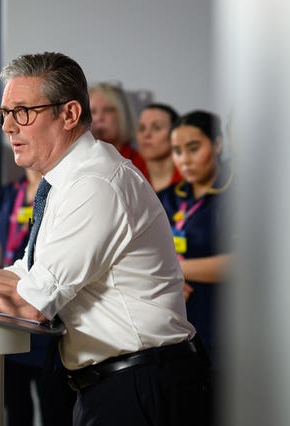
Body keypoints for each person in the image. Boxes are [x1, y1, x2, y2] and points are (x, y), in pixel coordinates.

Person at [0, 52, 213, 426]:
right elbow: (27, 276)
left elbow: (32, 305)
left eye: (23, 111)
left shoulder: (95, 184)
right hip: (115, 382)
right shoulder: (65, 181)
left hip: (143, 383)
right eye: (5, 114)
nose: (9, 127)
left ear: (70, 114)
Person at [0, 167, 76, 425]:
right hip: (7, 308)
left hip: (43, 309)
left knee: (54, 405)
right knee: (14, 405)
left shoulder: (60, 192)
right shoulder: (7, 193)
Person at [157, 110, 234, 371]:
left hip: (223, 325)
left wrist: (172, 272)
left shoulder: (236, 194)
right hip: (174, 327)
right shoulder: (166, 198)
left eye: (193, 148)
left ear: (218, 144)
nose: (184, 160)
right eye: (177, 151)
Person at [88, 82, 149, 178]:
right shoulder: (76, 160)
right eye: (92, 112)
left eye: (108, 110)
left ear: (124, 115)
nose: (98, 118)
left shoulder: (142, 164)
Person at [136, 102, 183, 192]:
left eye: (156, 128)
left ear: (175, 134)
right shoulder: (128, 174)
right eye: (141, 128)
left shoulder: (189, 174)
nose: (146, 134)